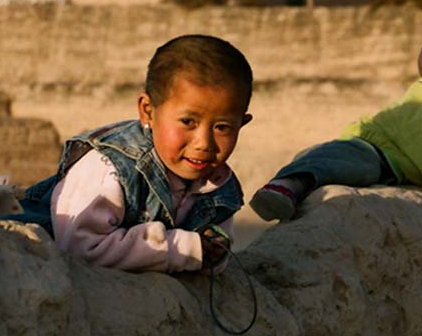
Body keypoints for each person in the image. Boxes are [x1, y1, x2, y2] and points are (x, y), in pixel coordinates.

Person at [251, 24, 422, 269]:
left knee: (331, 162)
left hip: (385, 161)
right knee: (336, 164)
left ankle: (300, 177)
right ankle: (287, 184)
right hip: (373, 152)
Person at [14, 35, 253, 273]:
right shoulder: (110, 167)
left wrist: (211, 252)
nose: (204, 143)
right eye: (188, 121)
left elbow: (216, 255)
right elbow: (80, 247)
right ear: (148, 111)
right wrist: (181, 249)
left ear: (242, 124)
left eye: (222, 127)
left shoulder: (217, 183)